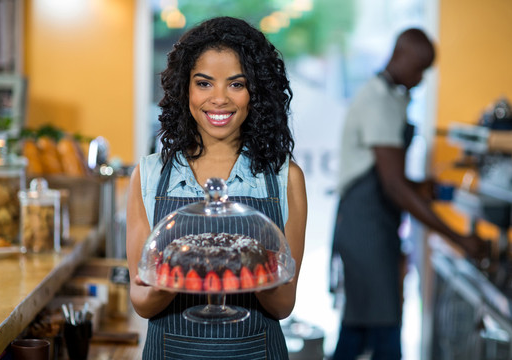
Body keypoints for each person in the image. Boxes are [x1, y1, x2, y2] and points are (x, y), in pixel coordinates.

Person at [126, 16, 307, 360]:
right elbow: (142, 302)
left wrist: (247, 263)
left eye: (236, 84)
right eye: (204, 84)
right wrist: (181, 265)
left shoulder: (285, 177)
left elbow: (283, 304)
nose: (219, 99)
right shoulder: (149, 174)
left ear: (257, 91)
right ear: (185, 88)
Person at [330, 28, 484, 359]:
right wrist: (459, 238)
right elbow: (393, 186)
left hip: (370, 224)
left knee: (359, 326)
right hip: (365, 227)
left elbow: (390, 175)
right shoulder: (379, 101)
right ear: (398, 56)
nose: (421, 77)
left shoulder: (388, 96)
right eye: (418, 68)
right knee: (383, 327)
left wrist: (418, 187)